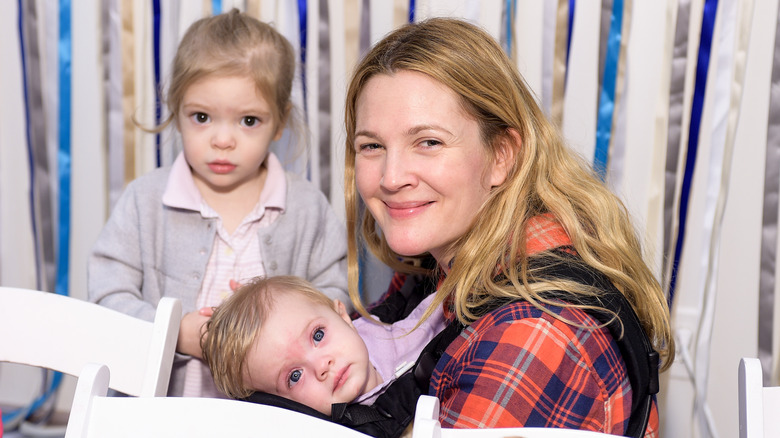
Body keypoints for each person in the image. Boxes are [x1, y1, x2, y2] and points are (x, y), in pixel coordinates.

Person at [342, 17, 674, 436]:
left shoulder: (534, 331)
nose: (391, 178)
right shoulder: (438, 265)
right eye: (372, 146)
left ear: (501, 155)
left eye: (428, 142)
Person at [87, 10, 349, 397]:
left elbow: (335, 298)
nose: (222, 140)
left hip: (269, 415)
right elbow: (106, 298)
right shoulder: (144, 201)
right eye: (202, 117)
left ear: (279, 122)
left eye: (248, 121)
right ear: (177, 112)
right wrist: (175, 332)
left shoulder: (306, 208)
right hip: (161, 414)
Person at [201, 275, 446, 416]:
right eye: (295, 376)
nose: (321, 366)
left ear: (342, 316)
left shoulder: (388, 333)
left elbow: (441, 310)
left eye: (317, 335)